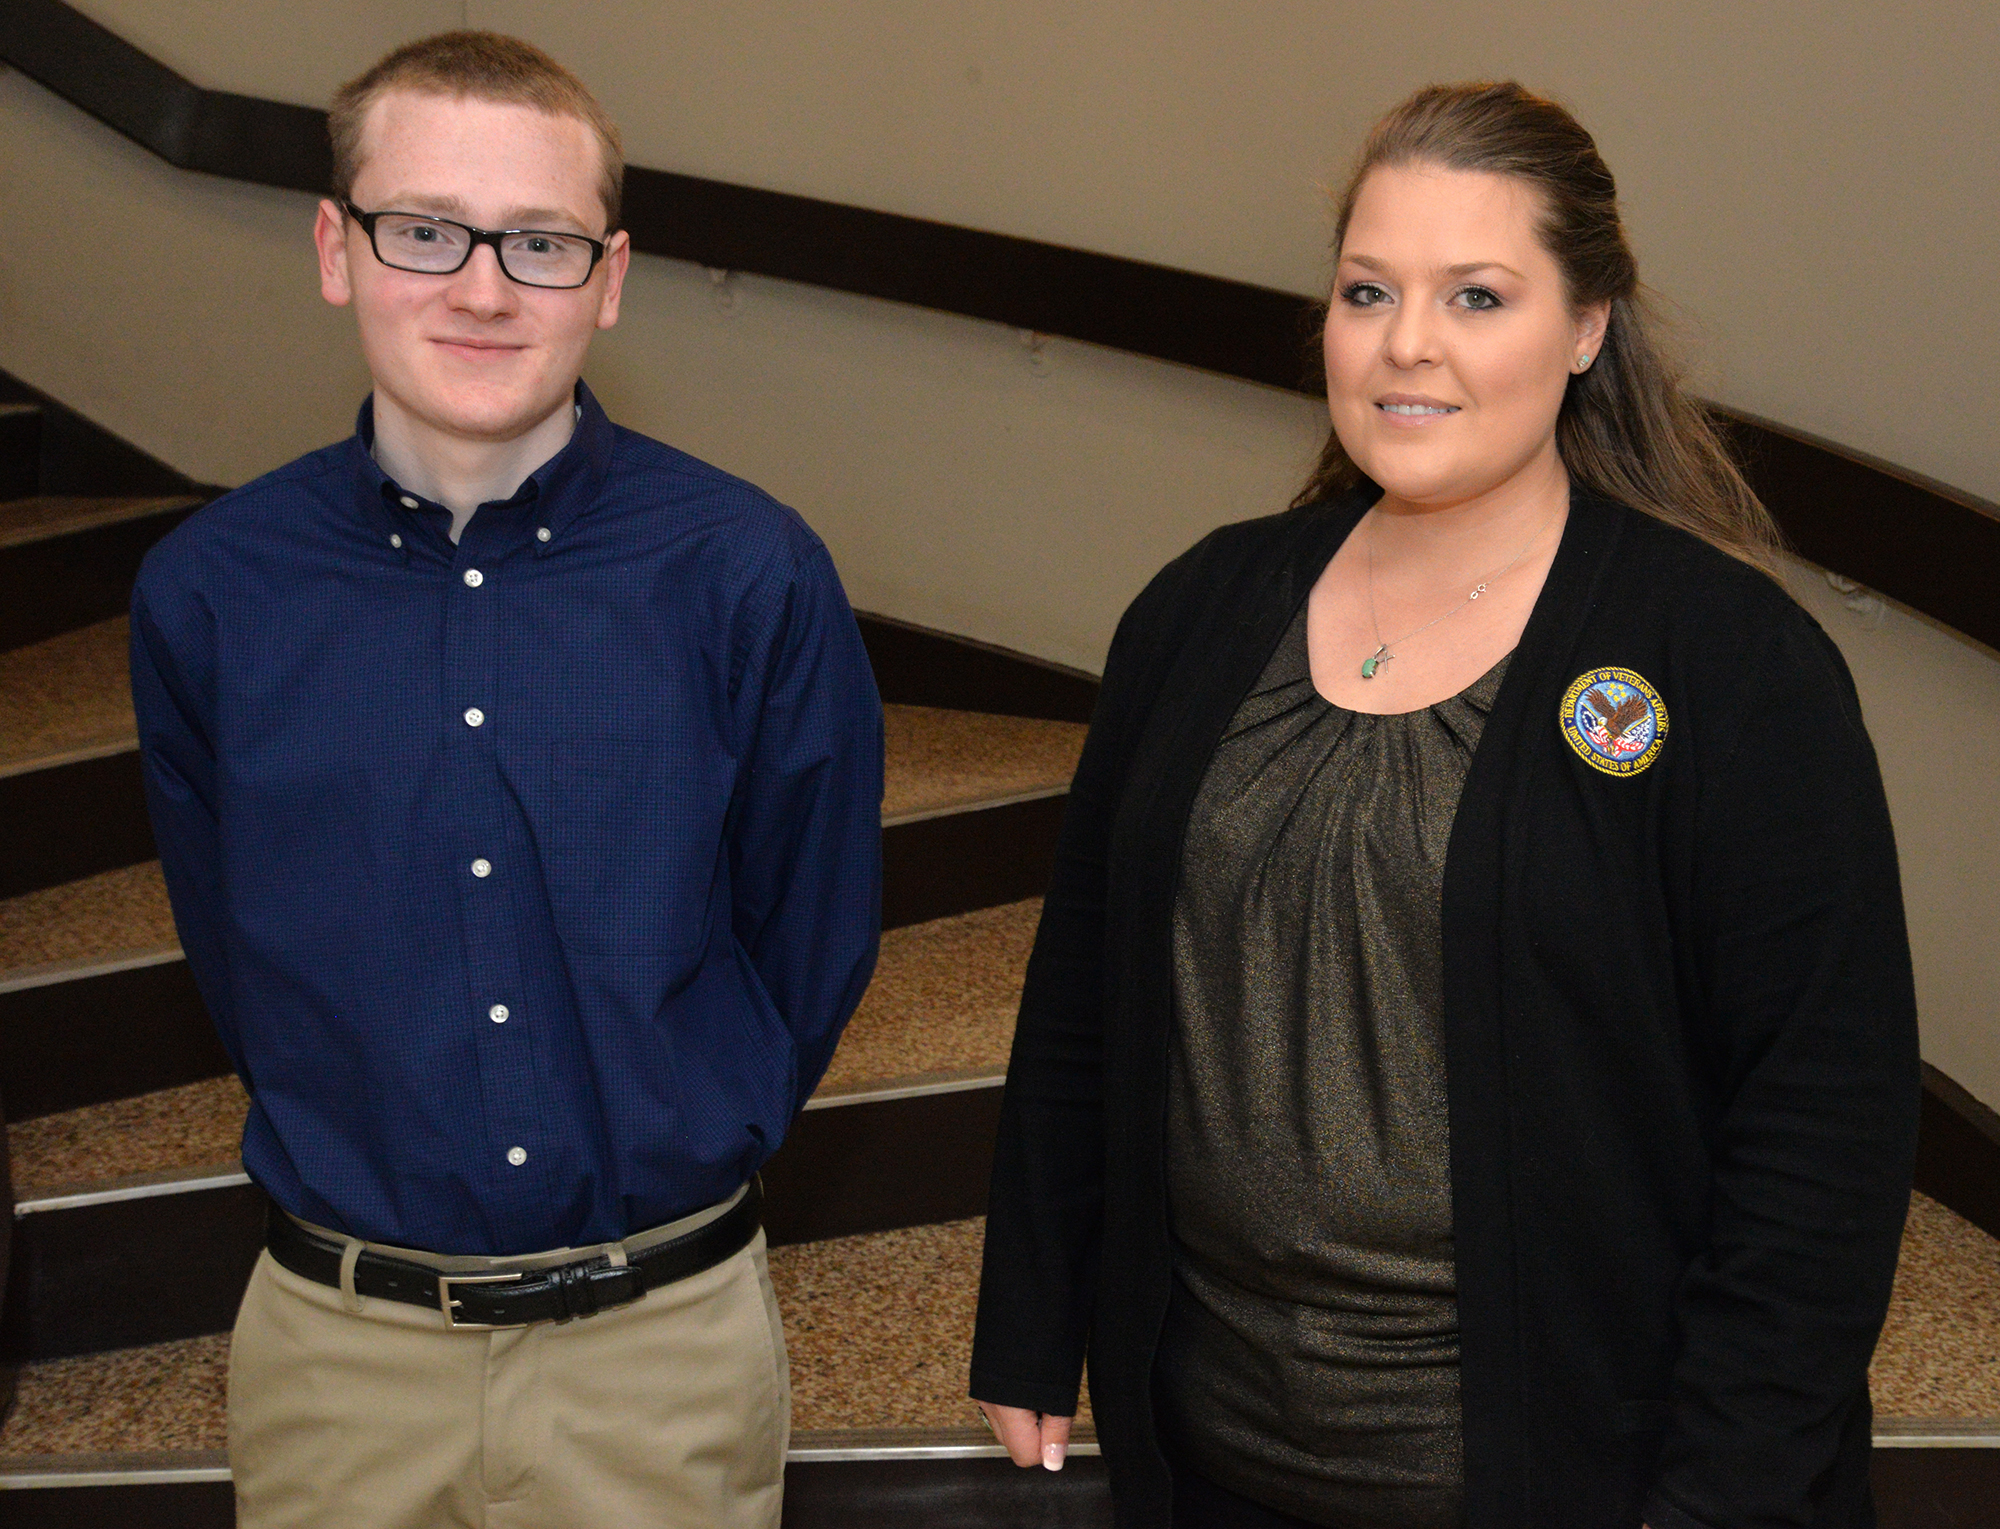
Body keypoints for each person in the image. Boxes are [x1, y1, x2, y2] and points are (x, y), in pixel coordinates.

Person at [971, 81, 1918, 1529]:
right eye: (1368, 291)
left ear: (1587, 328)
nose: (1407, 343)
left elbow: (1822, 1135)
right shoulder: (1201, 608)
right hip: (1216, 1457)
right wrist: (1033, 1308)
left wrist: (1722, 1494)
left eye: (1478, 295)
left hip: (1580, 1478)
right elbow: (1085, 997)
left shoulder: (1727, 661)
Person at [129, 32, 882, 1529]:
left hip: (658, 1357)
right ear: (336, 248)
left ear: (607, 278)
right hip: (341, 1366)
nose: (482, 286)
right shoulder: (211, 594)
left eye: (538, 242)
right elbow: (238, 953)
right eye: (427, 230)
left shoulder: (746, 575)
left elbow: (808, 940)